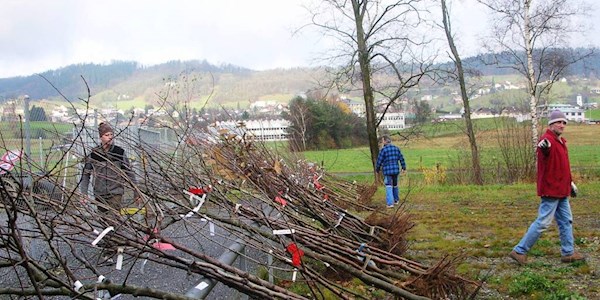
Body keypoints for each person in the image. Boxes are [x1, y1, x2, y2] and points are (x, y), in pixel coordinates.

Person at [509, 110, 585, 265]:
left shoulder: (562, 142)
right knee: (543, 222)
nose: (561, 125)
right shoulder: (547, 140)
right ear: (551, 124)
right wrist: (544, 147)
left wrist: (570, 183)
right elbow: (544, 149)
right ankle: (519, 251)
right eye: (558, 122)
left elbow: (562, 167)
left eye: (564, 122)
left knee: (566, 221)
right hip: (551, 190)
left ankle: (568, 252)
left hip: (562, 190)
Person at [80, 122, 138, 215]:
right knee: (104, 221)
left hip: (116, 192)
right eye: (107, 135)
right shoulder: (94, 154)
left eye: (111, 134)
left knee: (113, 219)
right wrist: (84, 193)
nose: (110, 137)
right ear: (101, 137)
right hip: (100, 194)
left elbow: (129, 172)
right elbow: (86, 175)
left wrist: (136, 191)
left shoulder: (119, 152)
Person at [375, 135, 406, 208]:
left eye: (383, 141)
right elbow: (401, 158)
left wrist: (377, 169)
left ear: (385, 141)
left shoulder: (383, 150)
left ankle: (390, 203)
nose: (382, 142)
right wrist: (403, 167)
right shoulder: (396, 148)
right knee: (395, 185)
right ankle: (396, 200)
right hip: (395, 170)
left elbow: (379, 161)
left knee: (388, 186)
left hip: (387, 171)